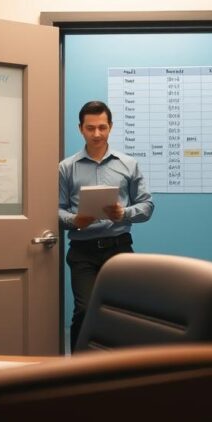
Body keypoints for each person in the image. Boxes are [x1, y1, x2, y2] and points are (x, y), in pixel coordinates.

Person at [59, 100, 154, 350]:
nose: (97, 134)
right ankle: (78, 369)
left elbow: (147, 206)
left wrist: (123, 213)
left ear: (110, 127)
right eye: (90, 128)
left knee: (123, 312)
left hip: (119, 248)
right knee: (85, 309)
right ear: (80, 129)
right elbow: (54, 210)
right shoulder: (66, 168)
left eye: (102, 127)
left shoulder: (128, 164)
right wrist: (74, 220)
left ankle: (118, 367)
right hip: (83, 251)